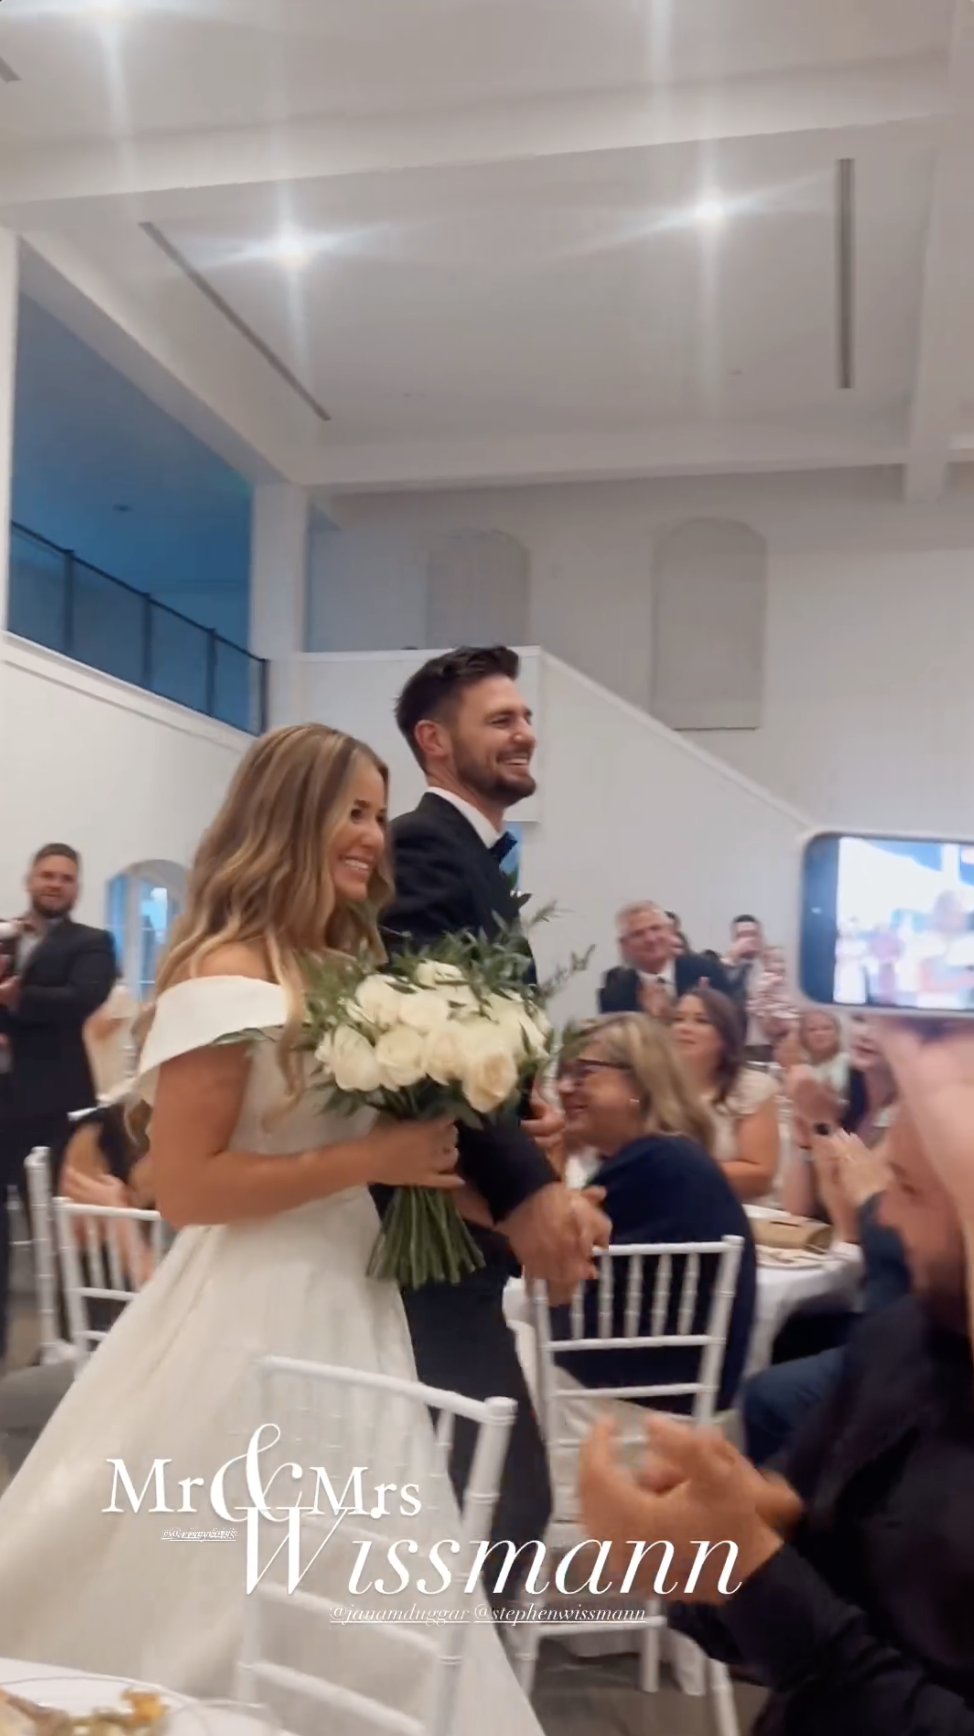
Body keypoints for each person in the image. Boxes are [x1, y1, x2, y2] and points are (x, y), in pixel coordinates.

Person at [0, 724, 547, 1736]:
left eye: (378, 815)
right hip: (253, 1309)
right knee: (220, 1568)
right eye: (348, 810)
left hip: (352, 1293)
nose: (371, 837)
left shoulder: (341, 962)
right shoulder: (227, 965)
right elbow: (187, 1187)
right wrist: (367, 1161)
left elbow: (360, 1146)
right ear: (287, 814)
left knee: (354, 1555)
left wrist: (471, 1180)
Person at [578, 1044, 974, 1735]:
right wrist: (715, 1532)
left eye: (907, 1190)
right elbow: (797, 1591)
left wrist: (746, 1566)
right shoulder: (902, 1342)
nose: (884, 1220)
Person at [383, 645, 608, 1602]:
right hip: (435, 1218)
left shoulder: (476, 856)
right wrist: (528, 1186)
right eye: (500, 719)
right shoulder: (429, 844)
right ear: (436, 743)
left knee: (484, 1499)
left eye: (525, 718)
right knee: (498, 1505)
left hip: (462, 1211)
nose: (524, 733)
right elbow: (426, 1031)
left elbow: (469, 1030)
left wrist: (527, 1104)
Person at [551, 1014, 756, 1416]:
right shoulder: (669, 1157)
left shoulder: (657, 1164)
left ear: (641, 1083)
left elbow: (549, 1274)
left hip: (626, 1403)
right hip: (674, 1395)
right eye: (562, 1073)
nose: (563, 1087)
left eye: (584, 1073)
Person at [0, 844, 116, 1361]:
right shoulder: (4, 935)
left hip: (54, 1108)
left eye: (66, 878)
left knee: (62, 1230)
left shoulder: (92, 943)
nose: (54, 884)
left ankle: (71, 1341)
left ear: (76, 888)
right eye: (47, 874)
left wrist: (15, 999)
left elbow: (81, 999)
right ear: (30, 878)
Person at [0, 1099, 156, 1477]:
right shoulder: (101, 1135)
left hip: (151, 1357)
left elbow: (171, 1306)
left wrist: (123, 1225)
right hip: (111, 1336)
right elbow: (77, 1235)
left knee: (13, 1402)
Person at [672, 987, 779, 1201]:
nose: (684, 1028)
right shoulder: (652, 1083)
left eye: (701, 1021)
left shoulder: (751, 1087)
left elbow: (760, 1175)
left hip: (734, 1208)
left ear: (724, 1036)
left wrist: (679, 1173)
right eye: (678, 1019)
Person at [599, 902, 731, 1022]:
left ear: (671, 932)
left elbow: (731, 1024)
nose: (650, 939)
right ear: (624, 945)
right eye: (638, 934)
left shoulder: (706, 970)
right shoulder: (615, 990)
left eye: (656, 929)